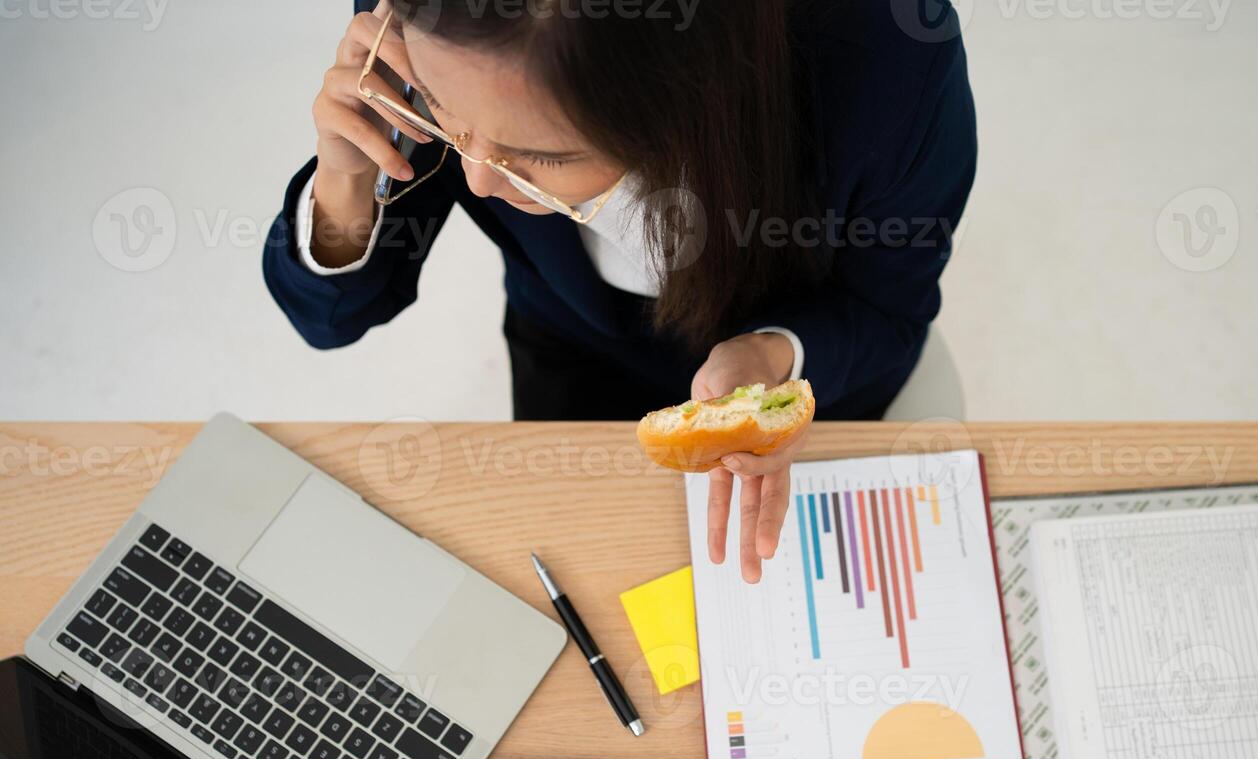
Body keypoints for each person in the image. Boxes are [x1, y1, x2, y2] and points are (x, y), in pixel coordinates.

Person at [262, 0, 977, 582]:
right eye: (448, 116)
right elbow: (333, 317)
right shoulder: (428, 22)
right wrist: (345, 183)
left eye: (541, 155)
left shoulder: (894, 61)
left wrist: (773, 357)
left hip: (809, 376)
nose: (476, 179)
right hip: (573, 345)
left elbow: (887, 309)